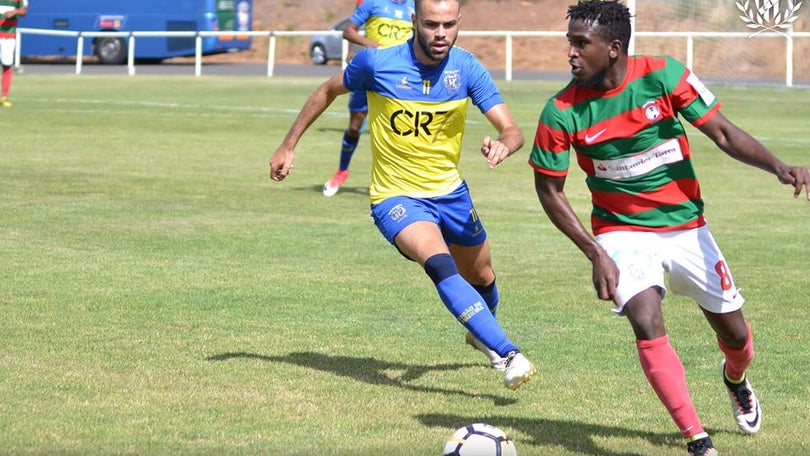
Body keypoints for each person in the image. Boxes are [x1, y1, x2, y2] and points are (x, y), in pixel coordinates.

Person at [530, 1, 809, 455]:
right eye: (571, 43)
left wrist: (779, 167)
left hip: (686, 228)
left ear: (614, 48)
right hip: (621, 233)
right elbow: (549, 191)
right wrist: (596, 251)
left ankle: (734, 378)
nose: (572, 54)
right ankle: (696, 440)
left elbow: (722, 133)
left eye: (582, 44)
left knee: (736, 336)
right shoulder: (561, 111)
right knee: (645, 318)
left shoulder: (663, 75)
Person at [271, 0, 537, 390]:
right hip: (395, 197)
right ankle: (508, 353)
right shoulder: (376, 63)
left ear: (459, 21)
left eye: (449, 24)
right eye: (431, 24)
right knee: (440, 265)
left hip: (452, 194)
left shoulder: (466, 67)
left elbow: (512, 129)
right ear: (415, 21)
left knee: (482, 275)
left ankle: (481, 333)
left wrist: (504, 144)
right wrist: (288, 145)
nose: (441, 33)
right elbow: (326, 91)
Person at [322, 0, 415, 197]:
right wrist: (368, 43)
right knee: (355, 127)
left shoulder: (415, 7)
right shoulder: (373, 3)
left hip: (399, 77)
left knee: (400, 128)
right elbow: (349, 31)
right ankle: (341, 172)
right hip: (371, 71)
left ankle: (398, 181)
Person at [0, 0, 27, 107]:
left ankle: (4, 97)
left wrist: (15, 11)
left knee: (7, 65)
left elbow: (23, 12)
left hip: (8, 34)